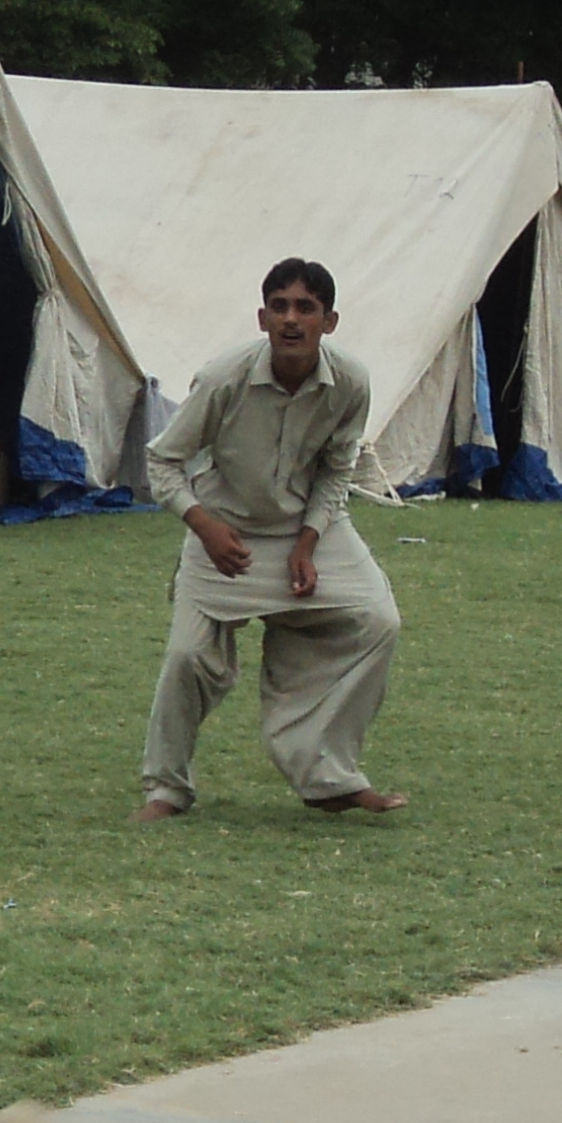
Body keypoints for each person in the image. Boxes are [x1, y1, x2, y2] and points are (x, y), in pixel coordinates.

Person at [134, 257, 407, 822]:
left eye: (306, 308)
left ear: (329, 321)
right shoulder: (223, 378)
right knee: (188, 657)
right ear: (261, 317)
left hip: (304, 528)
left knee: (377, 619)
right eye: (279, 306)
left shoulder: (351, 382)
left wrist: (308, 542)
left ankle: (328, 775)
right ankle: (166, 790)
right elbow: (162, 461)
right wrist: (203, 526)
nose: (291, 319)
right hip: (222, 527)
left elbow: (337, 470)